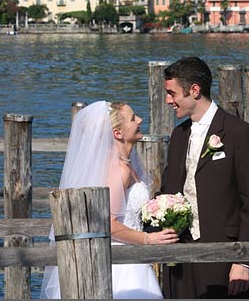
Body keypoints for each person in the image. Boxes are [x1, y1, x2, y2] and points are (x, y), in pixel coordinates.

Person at [40, 101, 178, 299]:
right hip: (121, 261)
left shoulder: (127, 164)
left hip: (131, 255)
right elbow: (107, 222)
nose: (140, 120)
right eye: (132, 118)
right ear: (118, 133)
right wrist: (148, 239)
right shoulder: (118, 170)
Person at [160, 57, 249, 299]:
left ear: (194, 90)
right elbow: (169, 190)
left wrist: (244, 261)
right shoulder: (178, 135)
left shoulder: (239, 133)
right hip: (180, 258)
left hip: (225, 255)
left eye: (172, 93)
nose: (168, 100)